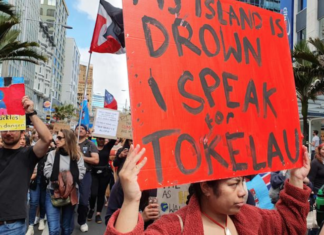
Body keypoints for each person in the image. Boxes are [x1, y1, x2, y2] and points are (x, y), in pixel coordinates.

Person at [105, 145, 311, 235]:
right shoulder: (175, 227)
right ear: (206, 188)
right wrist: (131, 200)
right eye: (233, 184)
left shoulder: (253, 218)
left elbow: (290, 226)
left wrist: (295, 178)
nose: (243, 192)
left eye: (242, 182)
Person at [0, 96, 52, 235]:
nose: (8, 133)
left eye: (13, 129)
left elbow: (47, 138)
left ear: (23, 133)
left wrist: (31, 113)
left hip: (11, 226)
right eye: (5, 129)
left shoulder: (28, 154)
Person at [44, 129, 86, 235]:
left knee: (66, 228)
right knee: (53, 229)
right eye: (56, 137)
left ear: (68, 139)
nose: (56, 140)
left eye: (59, 138)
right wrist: (61, 178)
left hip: (71, 193)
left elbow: (81, 172)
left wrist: (67, 179)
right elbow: (47, 171)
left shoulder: (77, 155)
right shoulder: (52, 154)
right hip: (53, 192)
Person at [75, 124, 99, 232]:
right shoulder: (70, 143)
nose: (80, 130)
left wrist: (81, 156)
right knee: (68, 199)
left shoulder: (90, 144)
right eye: (77, 128)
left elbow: (95, 160)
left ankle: (82, 221)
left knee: (84, 200)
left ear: (86, 132)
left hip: (85, 174)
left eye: (82, 128)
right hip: (70, 174)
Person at [88, 138, 116, 224]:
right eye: (99, 139)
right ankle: (92, 208)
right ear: (96, 139)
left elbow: (114, 138)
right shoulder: (92, 147)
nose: (101, 140)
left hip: (104, 174)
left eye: (102, 139)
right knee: (93, 193)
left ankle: (98, 214)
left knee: (101, 193)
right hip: (94, 173)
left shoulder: (107, 147)